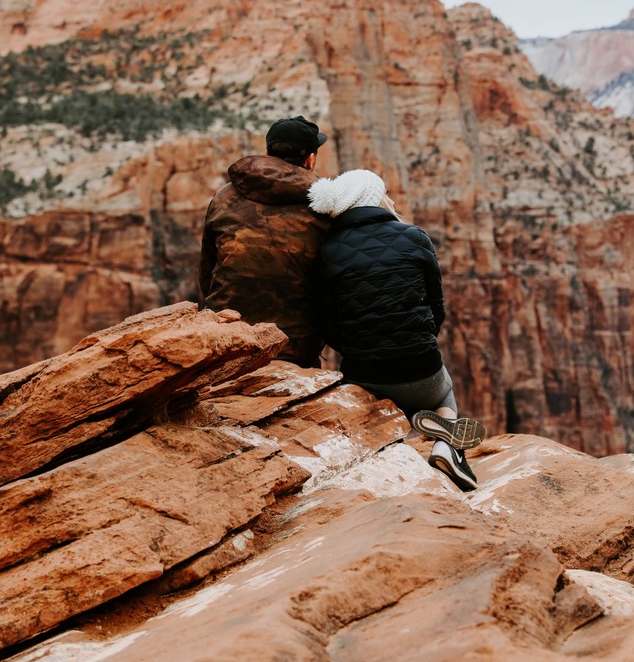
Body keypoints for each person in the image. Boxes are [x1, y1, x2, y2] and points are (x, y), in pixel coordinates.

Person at [308, 168, 486, 492]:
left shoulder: (327, 251)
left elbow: (326, 322)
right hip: (421, 368)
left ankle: (391, 455)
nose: (390, 197)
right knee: (444, 391)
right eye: (384, 192)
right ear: (373, 198)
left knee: (374, 396)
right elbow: (437, 307)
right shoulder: (414, 236)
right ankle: (447, 446)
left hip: (365, 376)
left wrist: (357, 348)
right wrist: (419, 339)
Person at [199, 115, 331, 367]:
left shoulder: (224, 196)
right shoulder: (324, 203)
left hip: (226, 340)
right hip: (295, 349)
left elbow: (208, 271)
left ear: (268, 152)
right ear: (310, 159)